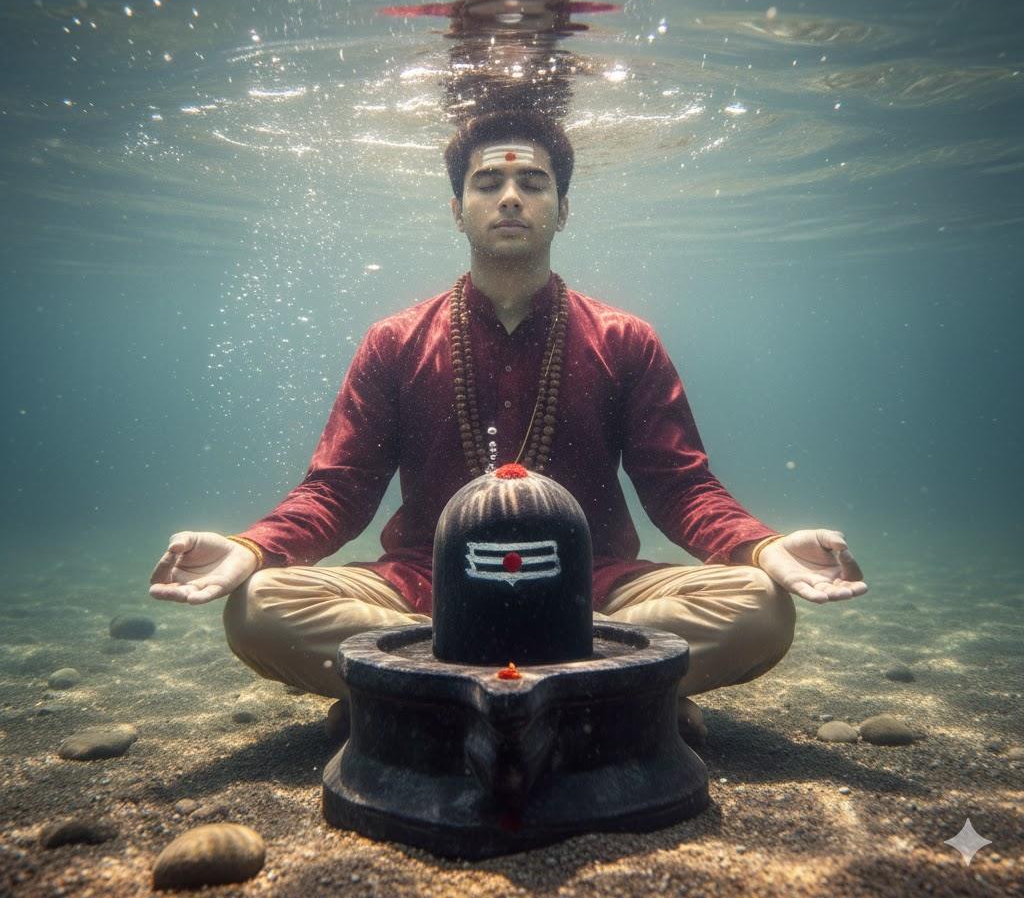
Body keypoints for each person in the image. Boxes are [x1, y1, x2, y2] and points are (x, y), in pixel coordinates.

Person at [149, 111, 867, 745]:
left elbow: (681, 487)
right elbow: (337, 489)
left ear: (563, 208)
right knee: (258, 609)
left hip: (594, 586)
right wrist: (251, 548)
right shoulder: (394, 340)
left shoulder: (625, 339)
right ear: (457, 208)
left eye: (534, 182)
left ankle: (419, 694)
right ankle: (612, 694)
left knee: (763, 610)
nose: (512, 196)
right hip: (424, 585)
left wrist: (767, 549)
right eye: (488, 182)